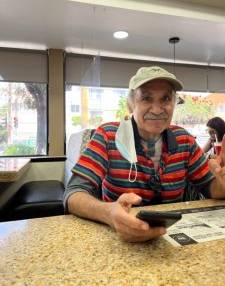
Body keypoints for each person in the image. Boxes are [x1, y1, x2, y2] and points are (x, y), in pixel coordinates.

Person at [63, 66, 225, 243]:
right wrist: (109, 213)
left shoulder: (184, 140)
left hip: (174, 239)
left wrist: (222, 181)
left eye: (165, 99)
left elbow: (210, 188)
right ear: (130, 104)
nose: (157, 109)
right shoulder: (108, 136)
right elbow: (73, 194)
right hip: (118, 240)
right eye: (146, 98)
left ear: (174, 103)